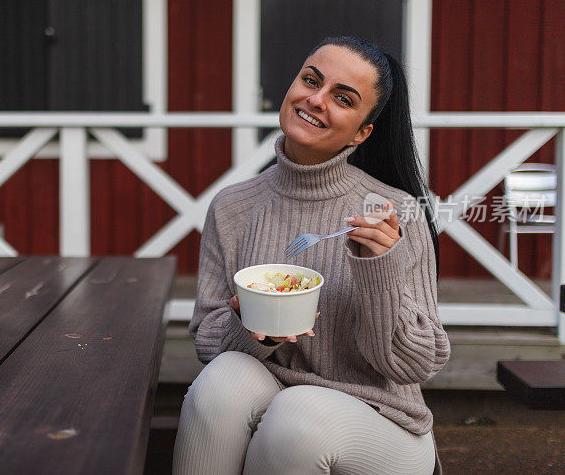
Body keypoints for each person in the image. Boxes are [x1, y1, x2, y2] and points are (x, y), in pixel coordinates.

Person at [172, 36, 450, 475]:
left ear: (363, 132)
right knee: (219, 384)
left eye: (342, 98)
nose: (316, 100)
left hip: (383, 424)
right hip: (273, 395)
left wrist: (378, 271)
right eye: (310, 80)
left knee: (298, 414)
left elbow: (414, 364)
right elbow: (209, 341)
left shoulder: (393, 213)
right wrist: (254, 326)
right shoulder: (232, 206)